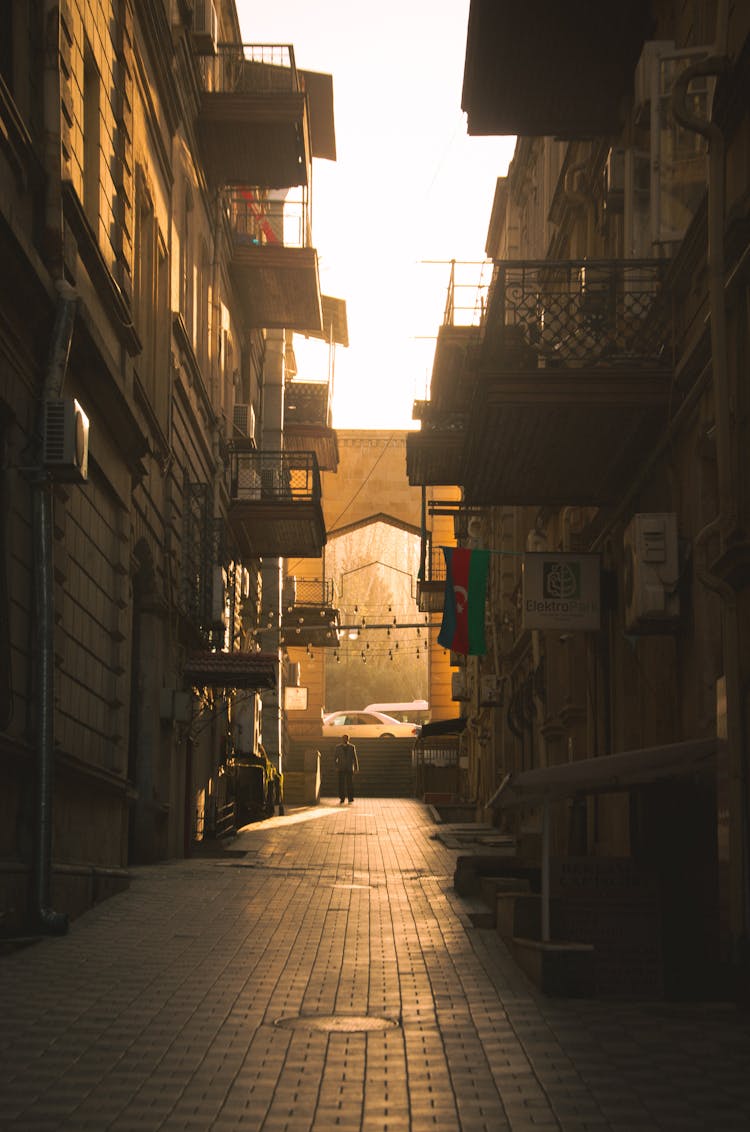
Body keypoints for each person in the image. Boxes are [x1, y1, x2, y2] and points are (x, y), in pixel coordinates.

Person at [334, 732, 359, 804]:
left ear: (348, 739)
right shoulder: (337, 747)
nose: (345, 739)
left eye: (346, 738)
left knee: (350, 784)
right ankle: (342, 798)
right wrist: (336, 766)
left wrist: (356, 767)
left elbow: (354, 758)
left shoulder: (352, 747)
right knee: (341, 784)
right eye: (344, 738)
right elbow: (335, 758)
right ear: (342, 739)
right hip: (341, 768)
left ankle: (350, 799)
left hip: (349, 768)